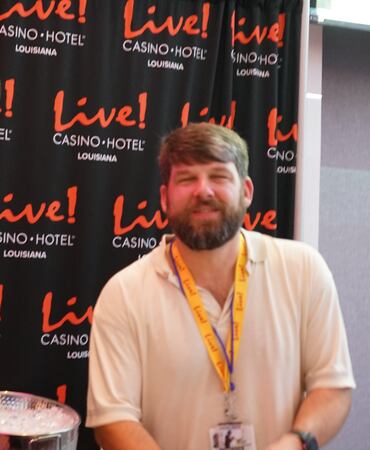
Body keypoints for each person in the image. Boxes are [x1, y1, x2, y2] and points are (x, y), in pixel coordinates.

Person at [86, 123, 355, 450]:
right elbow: (113, 420)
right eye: (187, 179)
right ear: (164, 198)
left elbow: (333, 387)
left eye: (219, 176)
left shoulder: (304, 271)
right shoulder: (123, 294)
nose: (204, 191)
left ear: (247, 191)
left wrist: (295, 443)